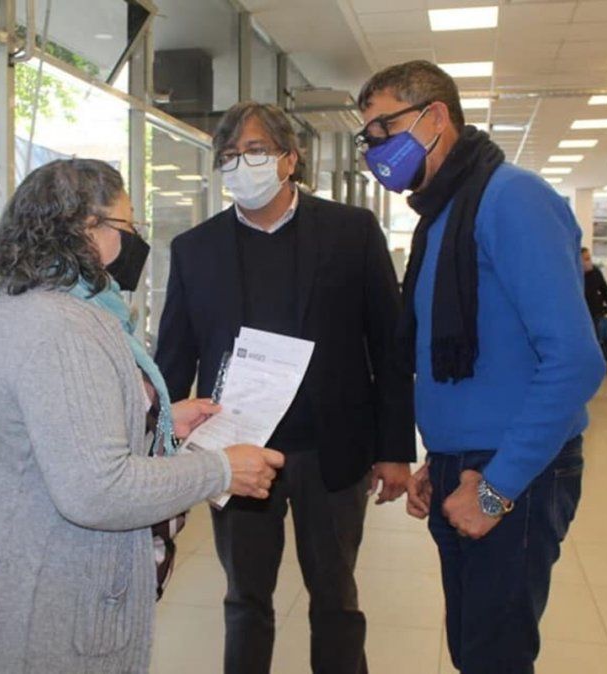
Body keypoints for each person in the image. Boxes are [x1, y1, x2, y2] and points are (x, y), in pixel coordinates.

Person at [0, 158, 284, 674]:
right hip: (44, 615)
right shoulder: (64, 328)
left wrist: (161, 420)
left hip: (2, 587)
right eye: (126, 225)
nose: (134, 240)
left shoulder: (16, 303)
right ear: (85, 228)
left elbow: (53, 432)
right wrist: (221, 470)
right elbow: (97, 490)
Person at [356, 61, 605, 674]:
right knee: (472, 649)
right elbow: (460, 360)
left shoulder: (511, 198)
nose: (375, 148)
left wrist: (497, 488)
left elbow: (576, 361)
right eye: (368, 136)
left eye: (384, 128)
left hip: (513, 471)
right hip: (461, 465)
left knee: (495, 656)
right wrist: (439, 462)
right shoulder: (441, 217)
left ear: (435, 116)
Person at [155, 102, 414, 674]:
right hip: (237, 451)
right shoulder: (196, 249)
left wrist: (395, 448)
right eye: (229, 155)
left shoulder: (351, 232)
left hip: (332, 450)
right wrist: (162, 450)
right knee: (245, 599)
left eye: (255, 151)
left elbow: (390, 347)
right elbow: (174, 356)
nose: (240, 164)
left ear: (289, 159)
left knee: (336, 598)